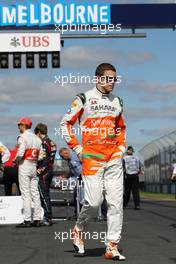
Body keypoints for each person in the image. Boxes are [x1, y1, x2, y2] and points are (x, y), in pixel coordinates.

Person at [60, 63, 126, 260]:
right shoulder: (83, 98)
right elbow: (65, 123)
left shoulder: (118, 102)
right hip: (91, 158)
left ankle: (112, 246)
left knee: (115, 204)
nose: (111, 82)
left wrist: (121, 148)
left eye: (114, 78)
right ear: (97, 78)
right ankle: (78, 230)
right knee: (94, 202)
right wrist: (77, 148)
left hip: (113, 158)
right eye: (107, 78)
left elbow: (121, 128)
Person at [15, 117, 42, 228]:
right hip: (34, 165)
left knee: (25, 193)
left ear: (23, 125)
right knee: (35, 193)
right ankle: (37, 219)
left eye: (19, 125)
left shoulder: (22, 137)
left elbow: (21, 152)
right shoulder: (37, 139)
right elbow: (40, 156)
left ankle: (27, 220)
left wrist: (16, 161)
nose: (18, 127)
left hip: (24, 165)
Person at [34, 123, 57, 226]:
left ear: (38, 133)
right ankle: (48, 217)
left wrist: (38, 171)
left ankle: (48, 217)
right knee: (46, 194)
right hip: (50, 170)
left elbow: (44, 160)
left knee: (44, 195)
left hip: (44, 172)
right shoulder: (52, 142)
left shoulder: (43, 143)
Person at [59, 147, 83, 217]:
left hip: (86, 176)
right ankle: (78, 213)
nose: (62, 158)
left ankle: (104, 212)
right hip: (80, 178)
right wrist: (65, 176)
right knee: (76, 196)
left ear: (66, 153)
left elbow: (86, 163)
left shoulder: (77, 156)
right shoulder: (69, 161)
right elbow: (72, 171)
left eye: (62, 156)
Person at [123, 146, 142, 210]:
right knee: (135, 191)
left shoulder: (124, 158)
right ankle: (137, 205)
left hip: (128, 175)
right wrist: (138, 172)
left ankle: (125, 204)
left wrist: (124, 174)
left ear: (127, 151)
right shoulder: (137, 158)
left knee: (127, 191)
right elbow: (139, 167)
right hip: (134, 175)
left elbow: (123, 168)